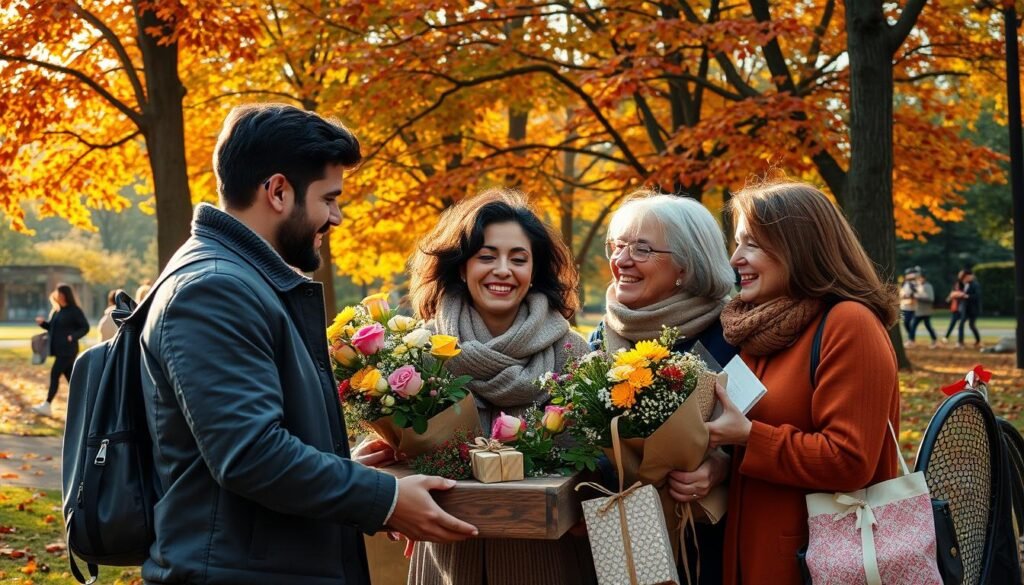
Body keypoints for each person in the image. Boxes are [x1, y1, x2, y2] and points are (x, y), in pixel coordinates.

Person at [139, 103, 476, 585]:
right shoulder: (213, 290)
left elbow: (243, 437)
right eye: (329, 198)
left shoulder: (245, 282)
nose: (336, 217)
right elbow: (250, 454)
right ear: (278, 191)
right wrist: (386, 500)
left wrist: (340, 465)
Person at [706, 181, 900, 584]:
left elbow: (850, 460)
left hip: (819, 561)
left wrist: (748, 437)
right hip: (752, 551)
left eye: (751, 245)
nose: (735, 258)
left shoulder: (849, 324)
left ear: (799, 246)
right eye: (737, 244)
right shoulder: (763, 329)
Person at [403, 188, 592, 585]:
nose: (503, 270)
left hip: (548, 563)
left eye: (518, 259)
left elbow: (600, 462)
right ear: (461, 267)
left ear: (534, 271)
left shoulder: (571, 352)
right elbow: (400, 451)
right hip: (448, 558)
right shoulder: (421, 354)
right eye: (486, 256)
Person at [587, 190, 736, 585]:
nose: (620, 261)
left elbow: (766, 432)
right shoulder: (602, 337)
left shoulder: (732, 335)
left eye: (641, 249)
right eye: (616, 246)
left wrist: (722, 467)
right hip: (620, 539)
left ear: (686, 266)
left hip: (707, 539)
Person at [31, 283, 89, 417]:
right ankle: (84, 405)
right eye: (57, 294)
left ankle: (47, 405)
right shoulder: (57, 311)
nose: (58, 297)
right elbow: (51, 327)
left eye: (61, 294)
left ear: (66, 295)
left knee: (54, 374)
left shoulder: (75, 310)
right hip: (59, 351)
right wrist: (43, 324)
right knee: (72, 380)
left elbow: (85, 328)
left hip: (68, 351)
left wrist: (72, 336)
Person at [911, 270, 937, 348]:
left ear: (924, 278)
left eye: (920, 278)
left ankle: (911, 341)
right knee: (917, 325)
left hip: (925, 311)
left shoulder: (927, 286)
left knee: (917, 325)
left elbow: (931, 298)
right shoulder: (919, 286)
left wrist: (917, 296)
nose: (918, 280)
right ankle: (934, 339)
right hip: (919, 310)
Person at [958, 268, 982, 348]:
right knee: (961, 325)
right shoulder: (964, 284)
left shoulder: (975, 285)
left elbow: (977, 296)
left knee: (972, 325)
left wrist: (967, 296)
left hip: (973, 309)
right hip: (965, 309)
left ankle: (978, 341)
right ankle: (960, 342)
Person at [942, 270, 966, 343]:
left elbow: (963, 294)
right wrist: (951, 296)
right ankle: (946, 337)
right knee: (952, 324)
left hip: (962, 309)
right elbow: (950, 297)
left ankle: (960, 341)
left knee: (960, 326)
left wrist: (957, 294)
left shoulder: (964, 286)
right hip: (955, 308)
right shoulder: (955, 287)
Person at [899, 266, 918, 346]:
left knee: (909, 323)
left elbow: (915, 293)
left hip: (911, 307)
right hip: (904, 306)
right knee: (905, 323)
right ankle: (911, 338)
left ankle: (911, 339)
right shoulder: (904, 283)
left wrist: (907, 296)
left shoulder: (914, 284)